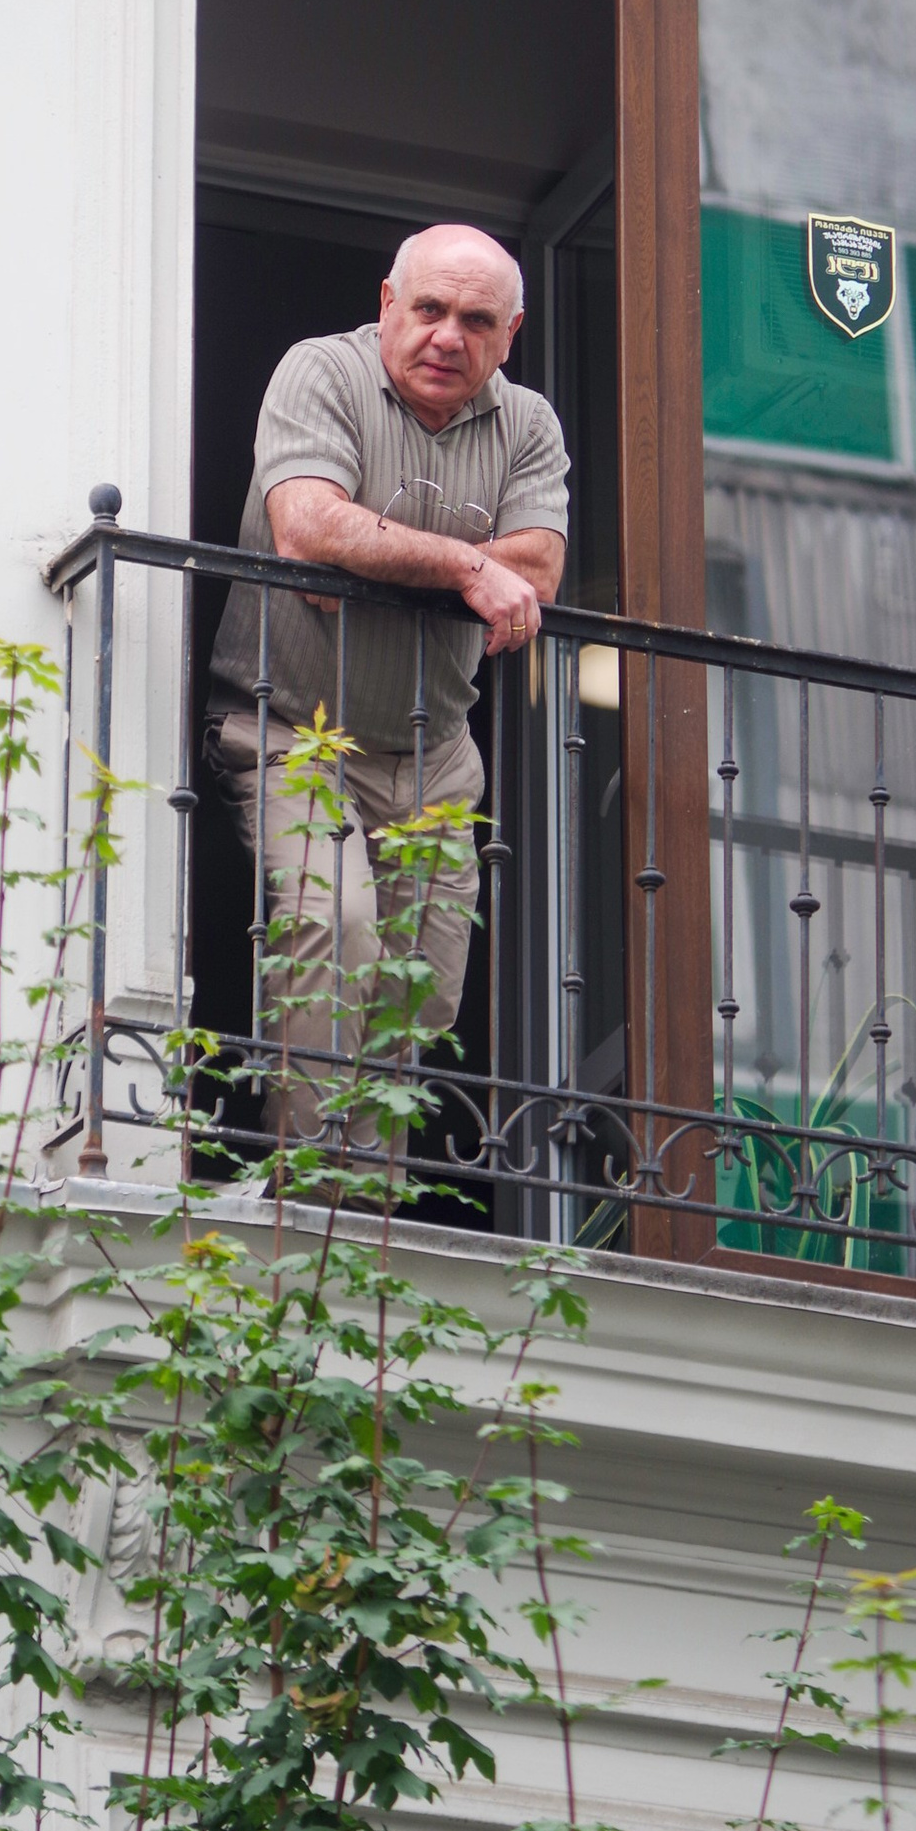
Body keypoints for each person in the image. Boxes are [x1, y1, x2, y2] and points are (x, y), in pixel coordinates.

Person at [207, 225, 570, 1169]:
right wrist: (459, 565)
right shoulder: (319, 371)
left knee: (424, 985)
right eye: (429, 309)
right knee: (334, 930)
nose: (448, 336)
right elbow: (309, 523)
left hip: (433, 752)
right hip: (293, 729)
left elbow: (541, 566)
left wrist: (375, 547)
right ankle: (312, 1199)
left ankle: (365, 1209)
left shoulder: (527, 423)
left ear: (511, 332)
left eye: (476, 320)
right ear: (387, 304)